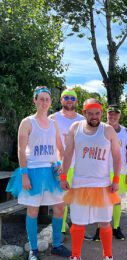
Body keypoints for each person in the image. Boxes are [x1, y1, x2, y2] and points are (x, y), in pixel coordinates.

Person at [6, 86, 71, 260]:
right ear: (34, 100)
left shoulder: (53, 123)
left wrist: (60, 165)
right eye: (40, 99)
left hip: (51, 172)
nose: (44, 102)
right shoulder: (27, 122)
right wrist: (24, 174)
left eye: (47, 99)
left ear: (51, 102)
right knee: (33, 211)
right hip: (33, 172)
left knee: (59, 207)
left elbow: (60, 148)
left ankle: (56, 244)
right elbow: (21, 150)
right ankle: (33, 250)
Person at [60, 99, 121, 260]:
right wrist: (63, 175)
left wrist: (116, 178)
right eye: (90, 113)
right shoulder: (76, 128)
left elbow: (117, 155)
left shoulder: (107, 130)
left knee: (104, 223)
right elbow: (68, 152)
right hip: (80, 184)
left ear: (101, 113)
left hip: (102, 184)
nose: (94, 117)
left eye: (97, 113)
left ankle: (107, 258)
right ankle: (75, 258)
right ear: (84, 112)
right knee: (77, 224)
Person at [93, 105, 127, 241]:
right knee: (102, 201)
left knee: (116, 201)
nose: (113, 116)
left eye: (116, 114)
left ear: (119, 115)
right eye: (110, 113)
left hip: (119, 172)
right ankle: (100, 229)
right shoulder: (99, 129)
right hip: (102, 172)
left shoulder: (125, 132)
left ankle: (116, 227)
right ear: (106, 114)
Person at [49, 88, 84, 237]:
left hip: (80, 165)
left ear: (76, 101)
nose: (70, 100)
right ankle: (61, 230)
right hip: (60, 165)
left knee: (78, 201)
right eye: (66, 97)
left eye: (73, 98)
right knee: (60, 201)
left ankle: (78, 230)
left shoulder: (83, 119)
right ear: (61, 100)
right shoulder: (52, 118)